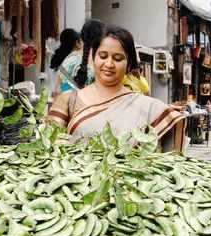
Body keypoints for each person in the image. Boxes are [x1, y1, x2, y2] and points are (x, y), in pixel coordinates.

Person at [47, 25, 186, 152]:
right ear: (93, 58)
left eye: (118, 58)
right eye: (103, 56)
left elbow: (168, 162)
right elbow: (48, 148)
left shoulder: (149, 108)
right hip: (78, 177)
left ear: (129, 63)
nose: (109, 64)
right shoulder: (68, 100)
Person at [57, 19, 105, 94]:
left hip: (70, 103)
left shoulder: (69, 60)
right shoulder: (103, 61)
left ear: (81, 37)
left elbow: (59, 89)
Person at [49, 28, 81, 98]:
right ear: (76, 42)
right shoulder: (71, 60)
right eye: (80, 41)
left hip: (55, 98)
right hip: (65, 99)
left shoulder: (57, 57)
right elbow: (66, 85)